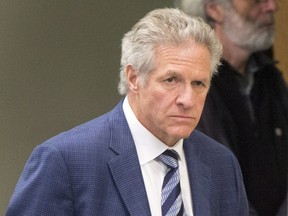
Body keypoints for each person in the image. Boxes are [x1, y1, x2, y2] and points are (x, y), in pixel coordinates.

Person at [6, 8, 248, 216]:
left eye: (199, 84)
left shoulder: (222, 166)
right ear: (134, 78)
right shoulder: (65, 161)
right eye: (171, 80)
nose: (187, 99)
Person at [175, 0, 288, 216]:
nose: (272, 6)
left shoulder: (271, 78)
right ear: (214, 9)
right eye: (257, 1)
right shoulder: (187, 87)